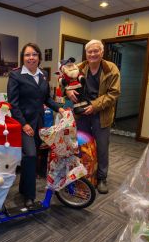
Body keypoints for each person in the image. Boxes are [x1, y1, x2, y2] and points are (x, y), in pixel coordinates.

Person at [8, 42, 64, 208]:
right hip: (24, 124)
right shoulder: (16, 75)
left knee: (30, 159)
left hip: (39, 123)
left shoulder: (43, 75)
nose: (31, 57)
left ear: (39, 57)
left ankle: (23, 189)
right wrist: (23, 124)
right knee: (31, 155)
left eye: (34, 54)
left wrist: (59, 108)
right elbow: (13, 104)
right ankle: (29, 197)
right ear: (22, 58)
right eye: (27, 55)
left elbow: (46, 98)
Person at [65, 39, 120, 194]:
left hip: (101, 114)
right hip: (82, 114)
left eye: (96, 51)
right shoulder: (79, 67)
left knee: (102, 147)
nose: (93, 54)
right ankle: (85, 174)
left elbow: (114, 93)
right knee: (83, 146)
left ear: (102, 53)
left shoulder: (111, 68)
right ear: (86, 53)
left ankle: (102, 178)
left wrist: (94, 106)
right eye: (90, 51)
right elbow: (65, 82)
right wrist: (68, 91)